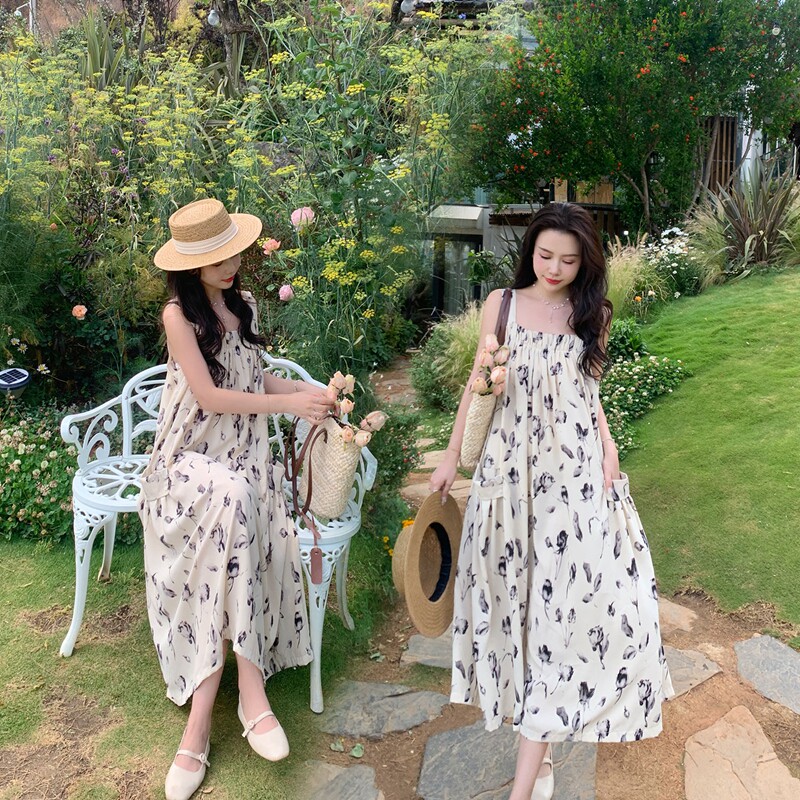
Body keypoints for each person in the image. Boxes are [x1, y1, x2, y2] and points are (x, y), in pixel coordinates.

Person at [430, 203, 674, 800]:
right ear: (530, 251)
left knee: (569, 610)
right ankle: (535, 751)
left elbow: (589, 392)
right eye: (545, 256)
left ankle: (524, 780)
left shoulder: (593, 314)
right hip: (509, 473)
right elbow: (476, 386)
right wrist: (450, 454)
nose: (555, 268)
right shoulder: (502, 305)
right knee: (515, 605)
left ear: (584, 262)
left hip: (573, 473)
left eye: (569, 259)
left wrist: (609, 448)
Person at [139, 198, 334, 800]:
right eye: (217, 258)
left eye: (233, 253)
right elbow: (210, 397)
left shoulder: (242, 304)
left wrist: (307, 391)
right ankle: (243, 698)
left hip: (243, 460)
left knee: (241, 498)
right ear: (190, 265)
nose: (231, 265)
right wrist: (286, 405)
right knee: (233, 497)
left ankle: (220, 710)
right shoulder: (179, 316)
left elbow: (250, 378)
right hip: (190, 457)